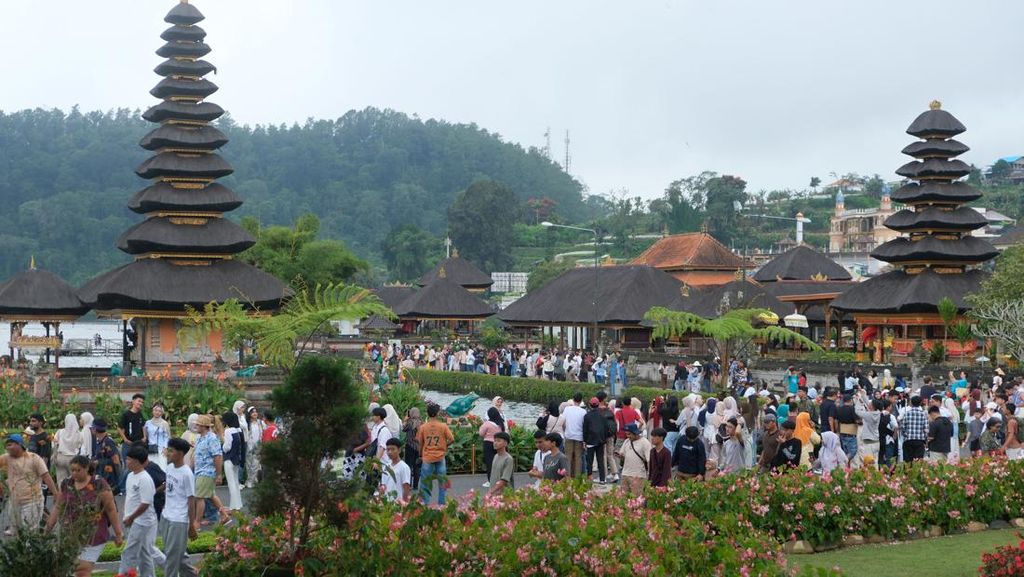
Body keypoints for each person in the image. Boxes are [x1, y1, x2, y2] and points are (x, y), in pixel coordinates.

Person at [46, 455, 124, 577]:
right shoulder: (67, 483)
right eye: (72, 470)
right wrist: (48, 528)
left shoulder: (99, 484)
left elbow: (111, 509)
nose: (74, 473)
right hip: (70, 534)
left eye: (78, 470)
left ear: (87, 468)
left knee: (82, 571)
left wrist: (118, 534)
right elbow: (58, 506)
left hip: (94, 535)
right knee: (69, 568)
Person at [0, 433, 58, 532]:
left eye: (10, 444)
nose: (7, 447)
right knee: (18, 533)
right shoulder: (6, 458)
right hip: (14, 502)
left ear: (19, 445)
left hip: (32, 502)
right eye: (7, 445)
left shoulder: (34, 458)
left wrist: (55, 493)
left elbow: (46, 476)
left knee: (29, 532)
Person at [120, 445, 159, 577]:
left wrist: (131, 517)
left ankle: (123, 574)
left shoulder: (145, 479)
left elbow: (145, 503)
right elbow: (131, 498)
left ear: (136, 461)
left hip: (141, 521)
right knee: (144, 553)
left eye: (128, 459)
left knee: (129, 552)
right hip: (133, 520)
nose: (126, 461)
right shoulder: (131, 476)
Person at [162, 438, 197, 577]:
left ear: (181, 454)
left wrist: (192, 525)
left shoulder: (187, 473)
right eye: (168, 449)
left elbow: (191, 501)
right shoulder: (169, 468)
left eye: (171, 451)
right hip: (166, 516)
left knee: (171, 556)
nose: (167, 453)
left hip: (179, 520)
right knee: (178, 554)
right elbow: (169, 488)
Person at [192, 415, 229, 526]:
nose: (196, 426)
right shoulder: (199, 438)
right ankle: (224, 514)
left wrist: (218, 475)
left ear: (204, 426)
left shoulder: (212, 438)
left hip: (207, 471)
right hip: (199, 471)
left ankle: (197, 522)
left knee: (199, 497)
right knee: (211, 495)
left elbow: (217, 456)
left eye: (198, 424)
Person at [417, 403, 455, 505]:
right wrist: (444, 445)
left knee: (425, 482)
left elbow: (420, 443)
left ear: (428, 413)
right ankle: (441, 504)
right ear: (437, 413)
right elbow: (452, 439)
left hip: (427, 457)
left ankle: (424, 503)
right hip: (440, 456)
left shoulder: (423, 427)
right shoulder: (443, 426)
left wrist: (420, 454)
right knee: (442, 482)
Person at [118, 393, 147, 493]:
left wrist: (144, 437)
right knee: (127, 467)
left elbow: (143, 426)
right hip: (128, 444)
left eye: (142, 402)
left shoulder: (140, 414)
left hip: (138, 444)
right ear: (133, 401)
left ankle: (129, 487)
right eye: (139, 401)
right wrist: (125, 439)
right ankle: (120, 487)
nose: (140, 403)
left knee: (135, 466)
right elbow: (119, 427)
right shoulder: (126, 414)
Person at [616, 423, 651, 495]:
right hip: (625, 474)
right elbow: (623, 457)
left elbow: (649, 460)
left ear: (635, 433)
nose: (627, 436)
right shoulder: (627, 441)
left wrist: (649, 474)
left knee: (636, 499)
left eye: (629, 434)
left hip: (638, 475)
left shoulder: (645, 443)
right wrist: (621, 456)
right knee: (623, 498)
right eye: (626, 434)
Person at [582, 397, 610, 484]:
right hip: (601, 440)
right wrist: (604, 439)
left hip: (590, 440)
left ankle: (589, 477)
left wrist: (584, 440)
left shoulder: (587, 416)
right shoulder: (603, 415)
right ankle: (602, 479)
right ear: (598, 405)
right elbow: (606, 429)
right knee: (600, 460)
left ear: (590, 405)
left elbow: (585, 429)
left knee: (589, 461)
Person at [221, 411, 244, 511]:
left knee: (231, 483)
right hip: (236, 459)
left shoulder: (228, 431)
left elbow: (227, 447)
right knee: (235, 481)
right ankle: (238, 504)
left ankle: (233, 506)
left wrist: (222, 445)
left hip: (229, 458)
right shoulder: (238, 430)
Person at [54, 413, 84, 487]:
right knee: (74, 480)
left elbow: (54, 443)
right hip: (73, 458)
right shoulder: (79, 434)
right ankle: (72, 496)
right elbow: (80, 446)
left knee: (61, 480)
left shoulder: (60, 432)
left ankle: (62, 496)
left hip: (61, 457)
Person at [378, 438, 412, 503]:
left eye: (393, 449)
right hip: (386, 503)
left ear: (399, 450)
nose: (390, 452)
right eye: (388, 450)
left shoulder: (404, 467)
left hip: (398, 503)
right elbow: (383, 486)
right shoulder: (386, 466)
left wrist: (404, 503)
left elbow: (406, 487)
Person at [562, 393, 587, 478]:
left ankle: (567, 477)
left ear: (573, 399)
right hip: (579, 437)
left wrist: (566, 430)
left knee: (568, 457)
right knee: (578, 458)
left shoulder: (567, 409)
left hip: (568, 435)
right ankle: (577, 477)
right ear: (581, 401)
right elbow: (584, 425)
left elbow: (563, 422)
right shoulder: (583, 411)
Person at [478, 407, 503, 488]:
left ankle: (490, 481)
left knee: (490, 463)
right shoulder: (501, 423)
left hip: (488, 444)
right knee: (499, 462)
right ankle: (500, 480)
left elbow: (481, 433)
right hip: (499, 444)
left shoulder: (487, 423)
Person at [899, 395, 928, 463]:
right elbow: (926, 429)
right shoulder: (923, 414)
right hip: (920, 441)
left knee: (908, 462)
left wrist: (906, 435)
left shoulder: (907, 413)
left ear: (911, 403)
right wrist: (925, 440)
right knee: (917, 463)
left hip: (908, 440)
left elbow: (903, 427)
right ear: (920, 403)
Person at [144, 403, 171, 471]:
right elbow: (146, 436)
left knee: (162, 468)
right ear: (153, 411)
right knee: (151, 468)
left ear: (162, 413)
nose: (157, 412)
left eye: (159, 411)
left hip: (161, 449)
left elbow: (167, 436)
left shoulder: (164, 423)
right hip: (151, 449)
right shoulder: (148, 423)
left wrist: (165, 447)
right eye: (156, 410)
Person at [402, 407, 423, 490]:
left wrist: (405, 420)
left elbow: (403, 429)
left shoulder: (409, 423)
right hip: (418, 447)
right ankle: (415, 486)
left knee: (408, 466)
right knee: (416, 467)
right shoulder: (421, 423)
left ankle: (409, 485)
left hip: (409, 446)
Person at [245, 407, 265, 488]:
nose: (255, 413)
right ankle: (250, 479)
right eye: (253, 412)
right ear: (249, 414)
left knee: (255, 464)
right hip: (249, 446)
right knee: (248, 464)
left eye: (256, 412)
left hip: (258, 446)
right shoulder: (247, 423)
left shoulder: (260, 423)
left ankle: (251, 480)